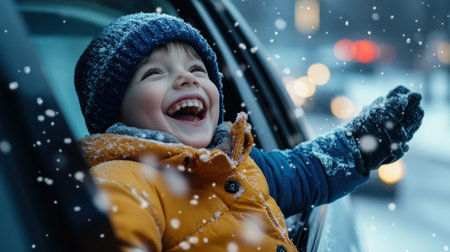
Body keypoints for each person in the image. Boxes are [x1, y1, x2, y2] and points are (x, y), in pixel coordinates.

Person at [74, 13, 423, 252]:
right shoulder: (120, 181)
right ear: (115, 110)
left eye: (197, 68)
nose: (187, 78)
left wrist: (360, 143)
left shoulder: (238, 162)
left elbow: (303, 172)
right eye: (154, 74)